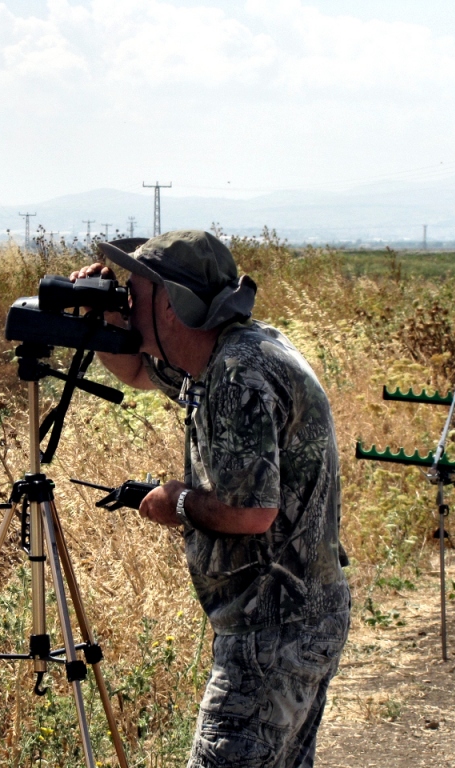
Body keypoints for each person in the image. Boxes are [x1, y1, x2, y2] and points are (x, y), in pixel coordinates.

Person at [71, 230, 351, 768]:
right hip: (296, 618)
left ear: (174, 305)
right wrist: (105, 318)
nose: (128, 299)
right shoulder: (226, 353)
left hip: (272, 633)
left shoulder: (237, 373)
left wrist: (175, 503)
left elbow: (251, 512)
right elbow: (134, 370)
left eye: (137, 289)